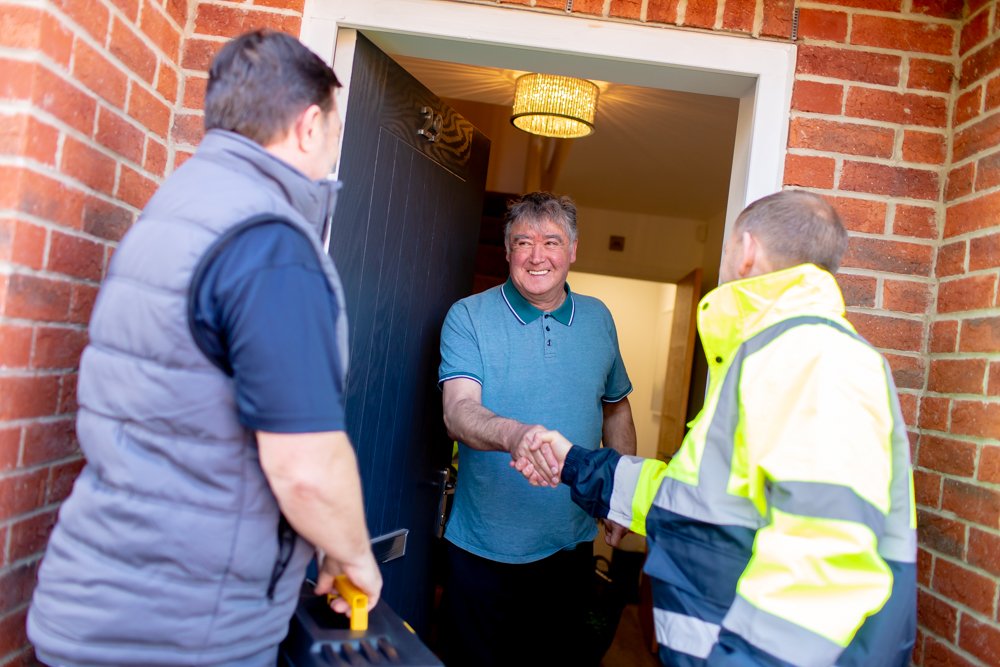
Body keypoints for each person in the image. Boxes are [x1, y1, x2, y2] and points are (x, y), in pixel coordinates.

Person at [28, 30, 382, 667]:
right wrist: (352, 552)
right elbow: (305, 468)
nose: (334, 150)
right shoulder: (270, 246)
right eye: (335, 131)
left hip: (97, 607)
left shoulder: (178, 207)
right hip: (180, 637)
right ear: (309, 126)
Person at [514, 191, 917, 667]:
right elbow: (693, 500)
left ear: (745, 250)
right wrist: (575, 463)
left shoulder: (816, 359)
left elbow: (826, 566)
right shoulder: (769, 357)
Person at [436, 191, 638, 666]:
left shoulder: (598, 318)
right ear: (507, 252)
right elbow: (458, 411)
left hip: (569, 550)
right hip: (482, 551)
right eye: (523, 242)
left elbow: (617, 410)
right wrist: (514, 435)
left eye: (551, 241)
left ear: (572, 251)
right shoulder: (468, 316)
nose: (537, 255)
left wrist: (621, 491)